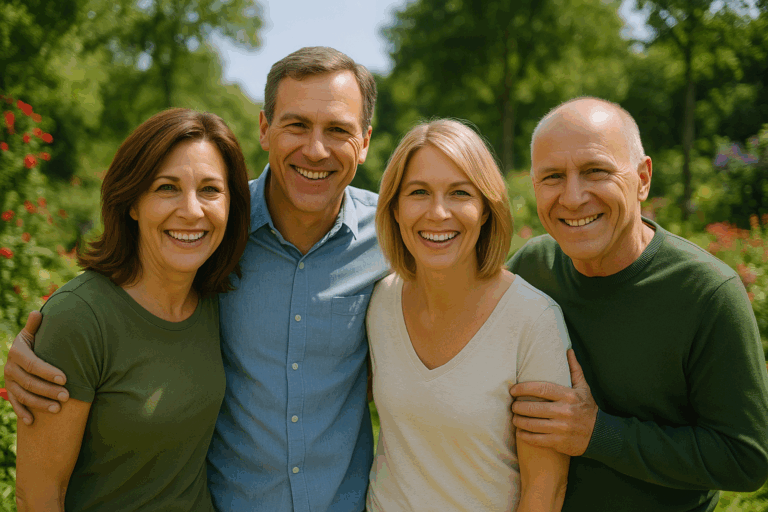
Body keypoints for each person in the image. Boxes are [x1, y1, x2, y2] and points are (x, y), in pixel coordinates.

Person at [5, 47, 389, 512]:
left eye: (338, 130)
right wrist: (44, 344)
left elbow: (468, 298)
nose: (315, 149)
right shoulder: (214, 230)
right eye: (296, 124)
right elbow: (122, 303)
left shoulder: (394, 236)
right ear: (265, 128)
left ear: (365, 140)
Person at [507, 97, 768, 511]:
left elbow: (746, 459)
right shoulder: (530, 268)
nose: (572, 198)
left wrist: (597, 434)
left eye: (596, 171)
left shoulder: (707, 293)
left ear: (643, 178)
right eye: (552, 177)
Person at [15, 108, 251, 511]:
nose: (192, 210)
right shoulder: (81, 317)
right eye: (166, 187)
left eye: (210, 190)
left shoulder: (217, 302)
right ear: (132, 202)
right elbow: (37, 496)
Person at [367, 119, 571, 511]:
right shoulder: (380, 303)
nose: (438, 213)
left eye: (459, 192)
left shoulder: (533, 321)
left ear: (485, 209)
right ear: (394, 208)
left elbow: (545, 490)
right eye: (418, 192)